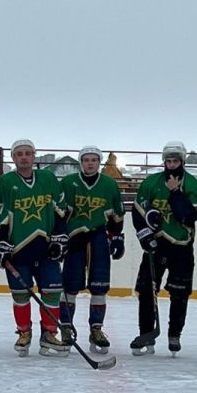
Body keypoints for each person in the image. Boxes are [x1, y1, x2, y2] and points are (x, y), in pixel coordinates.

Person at [0, 138, 69, 356]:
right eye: (19, 154)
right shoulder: (6, 182)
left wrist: (59, 238)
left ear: (34, 156)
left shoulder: (48, 179)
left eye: (28, 153)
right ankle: (24, 332)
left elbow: (61, 211)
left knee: (52, 292)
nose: (24, 157)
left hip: (46, 248)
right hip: (18, 249)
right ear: (13, 158)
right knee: (20, 294)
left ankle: (49, 334)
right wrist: (0, 243)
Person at [130, 141, 197, 355]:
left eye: (175, 161)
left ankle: (174, 334)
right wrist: (145, 235)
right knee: (146, 290)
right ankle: (147, 334)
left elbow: (188, 215)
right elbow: (138, 212)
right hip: (156, 245)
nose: (171, 164)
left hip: (181, 245)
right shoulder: (151, 183)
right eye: (168, 161)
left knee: (179, 293)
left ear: (182, 161)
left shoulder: (193, 186)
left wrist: (174, 193)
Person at [59, 146, 125, 353]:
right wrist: (59, 238)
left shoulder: (109, 184)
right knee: (70, 285)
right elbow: (60, 213)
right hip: (74, 238)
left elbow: (117, 213)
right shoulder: (68, 183)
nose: (90, 163)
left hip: (98, 237)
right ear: (81, 162)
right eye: (86, 160)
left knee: (99, 285)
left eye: (94, 160)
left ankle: (96, 328)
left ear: (99, 162)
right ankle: (66, 327)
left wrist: (117, 237)